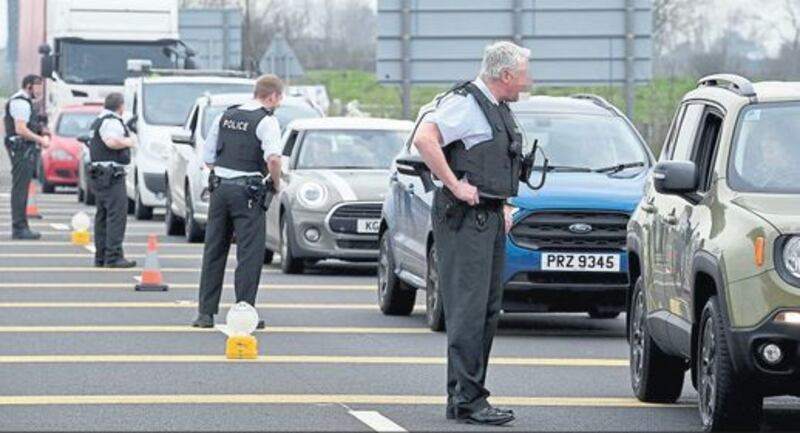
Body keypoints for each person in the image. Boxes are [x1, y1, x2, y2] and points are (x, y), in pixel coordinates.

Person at [412, 41, 532, 426]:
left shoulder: (496, 107)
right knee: (468, 310)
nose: (528, 80)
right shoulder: (466, 103)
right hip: (465, 219)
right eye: (525, 73)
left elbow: (495, 163)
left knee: (484, 311)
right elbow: (425, 139)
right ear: (506, 75)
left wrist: (504, 205)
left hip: (490, 216)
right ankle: (468, 400)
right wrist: (455, 185)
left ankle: (464, 397)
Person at [192, 74, 283, 328]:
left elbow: (208, 157)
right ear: (273, 96)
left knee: (214, 250)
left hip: (220, 189)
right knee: (249, 254)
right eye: (279, 99)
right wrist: (274, 183)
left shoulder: (226, 116)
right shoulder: (267, 121)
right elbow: (274, 159)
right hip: (248, 193)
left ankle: (205, 314)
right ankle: (244, 312)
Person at [88, 92, 137, 268]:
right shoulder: (112, 121)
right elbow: (111, 142)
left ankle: (101, 256)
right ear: (121, 106)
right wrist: (129, 142)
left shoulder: (99, 120)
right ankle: (113, 256)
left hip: (100, 174)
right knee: (116, 216)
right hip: (111, 174)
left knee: (102, 216)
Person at [3, 74, 50, 239]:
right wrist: (41, 140)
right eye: (37, 86)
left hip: (23, 148)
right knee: (20, 189)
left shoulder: (24, 102)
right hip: (21, 148)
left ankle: (22, 226)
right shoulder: (21, 102)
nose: (40, 90)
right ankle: (19, 228)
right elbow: (21, 129)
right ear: (29, 86)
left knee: (21, 188)